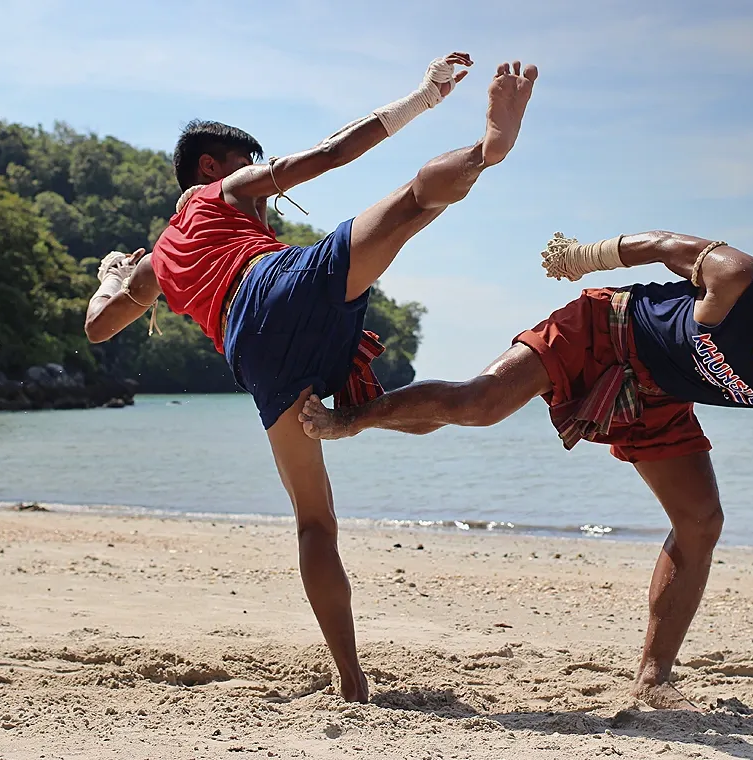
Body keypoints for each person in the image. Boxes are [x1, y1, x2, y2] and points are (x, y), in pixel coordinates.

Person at [83, 53, 539, 702]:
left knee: (315, 522)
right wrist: (424, 96)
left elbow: (99, 326)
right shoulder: (223, 191)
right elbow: (330, 152)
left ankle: (351, 680)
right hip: (276, 287)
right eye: (250, 166)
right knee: (411, 202)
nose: (265, 199)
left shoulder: (153, 264)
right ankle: (487, 151)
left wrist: (110, 276)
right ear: (212, 168)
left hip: (257, 359)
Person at [298, 229, 753, 710]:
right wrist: (585, 258)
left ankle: (654, 678)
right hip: (608, 327)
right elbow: (661, 245)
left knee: (701, 522)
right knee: (479, 404)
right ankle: (349, 418)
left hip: (657, 393)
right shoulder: (738, 276)